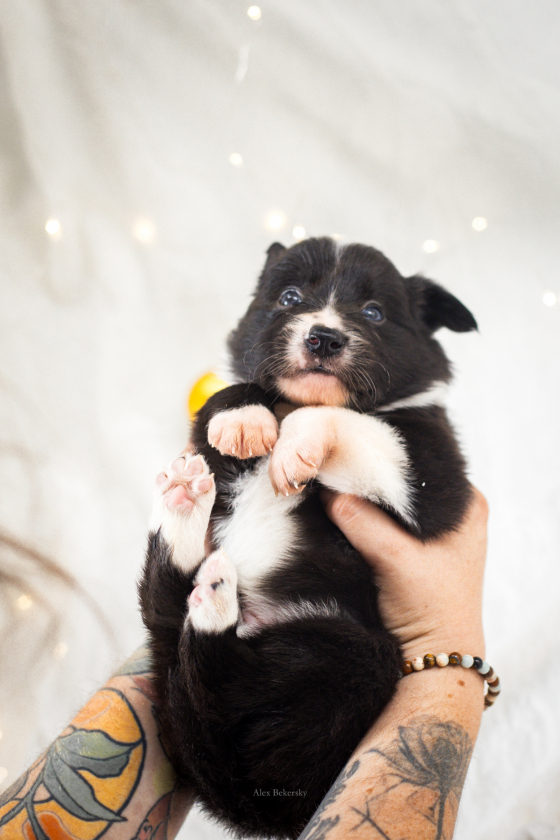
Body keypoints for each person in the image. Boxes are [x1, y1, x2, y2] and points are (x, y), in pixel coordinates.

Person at [0, 487, 488, 840]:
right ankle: (191, 600)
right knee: (361, 668)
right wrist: (445, 644)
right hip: (289, 719)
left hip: (257, 709)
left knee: (185, 643)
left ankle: (181, 579)